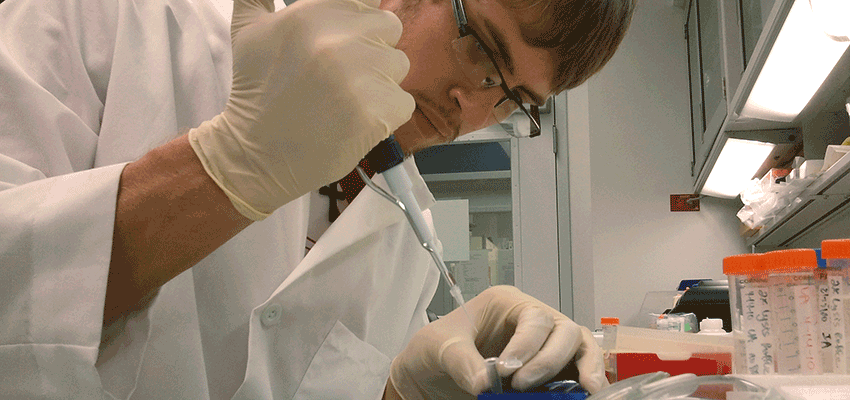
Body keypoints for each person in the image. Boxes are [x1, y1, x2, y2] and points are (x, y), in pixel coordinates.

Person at [0, 0, 633, 397]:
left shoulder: (410, 236)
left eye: (515, 99)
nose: (473, 106)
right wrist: (225, 168)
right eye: (482, 50)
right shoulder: (118, 20)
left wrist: (401, 391)